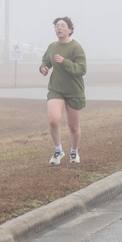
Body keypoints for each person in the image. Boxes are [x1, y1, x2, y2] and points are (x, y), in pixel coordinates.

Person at [40, 16, 87, 165]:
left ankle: (74, 151)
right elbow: (45, 61)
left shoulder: (76, 47)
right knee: (53, 120)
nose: (59, 28)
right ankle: (58, 150)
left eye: (62, 25)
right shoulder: (52, 46)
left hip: (74, 91)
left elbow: (82, 69)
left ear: (70, 30)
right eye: (56, 26)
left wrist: (65, 62)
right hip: (56, 89)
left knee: (74, 127)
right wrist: (44, 68)